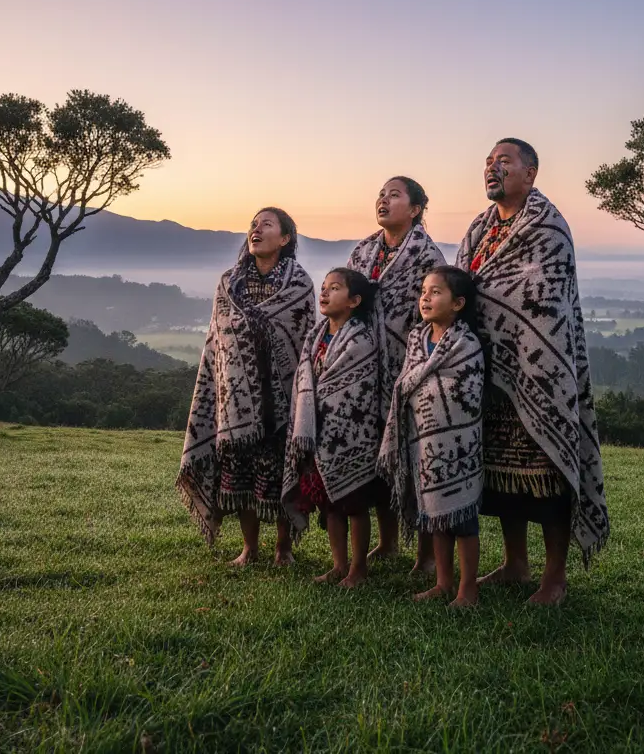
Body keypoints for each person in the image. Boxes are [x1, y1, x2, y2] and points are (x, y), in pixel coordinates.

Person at [456, 139, 610, 605]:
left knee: (547, 469)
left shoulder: (548, 226)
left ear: (531, 173)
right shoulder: (479, 229)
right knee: (500, 475)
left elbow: (542, 296)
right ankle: (515, 564)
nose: (492, 168)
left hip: (538, 372)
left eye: (503, 161)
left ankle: (555, 579)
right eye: (487, 162)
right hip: (487, 375)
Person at [177, 207, 315, 567]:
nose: (256, 230)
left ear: (285, 239)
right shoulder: (228, 283)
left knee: (283, 470)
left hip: (284, 401)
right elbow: (217, 341)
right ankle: (249, 548)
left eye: (266, 225)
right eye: (253, 225)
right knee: (238, 474)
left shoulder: (300, 285)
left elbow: (307, 343)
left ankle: (283, 549)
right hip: (234, 402)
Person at [347, 177, 445, 570]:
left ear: (416, 208)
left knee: (413, 457)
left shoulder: (428, 254)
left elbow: (436, 310)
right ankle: (387, 543)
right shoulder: (363, 251)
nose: (383, 200)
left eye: (394, 195)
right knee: (378, 458)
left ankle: (424, 555)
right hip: (366, 371)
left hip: (411, 367)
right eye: (381, 195)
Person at [378, 266, 485, 607]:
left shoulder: (466, 344)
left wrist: (426, 389)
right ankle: (442, 582)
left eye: (436, 292)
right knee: (434, 516)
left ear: (458, 303)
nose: (426, 297)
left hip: (457, 445)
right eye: (423, 291)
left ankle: (468, 588)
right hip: (423, 442)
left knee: (463, 520)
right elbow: (408, 379)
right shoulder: (416, 339)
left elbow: (466, 391)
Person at [282, 268, 382, 588]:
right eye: (323, 288)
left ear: (354, 300)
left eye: (334, 288)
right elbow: (306, 378)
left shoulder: (361, 338)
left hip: (351, 436)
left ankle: (358, 570)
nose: (324, 294)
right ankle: (339, 565)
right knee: (330, 506)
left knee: (353, 505)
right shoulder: (318, 334)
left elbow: (354, 388)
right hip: (318, 432)